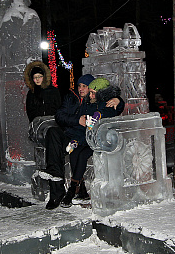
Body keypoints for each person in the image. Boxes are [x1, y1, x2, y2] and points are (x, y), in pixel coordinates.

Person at [43, 74, 124, 210]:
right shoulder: (72, 97)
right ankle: (55, 181)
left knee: (77, 153)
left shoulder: (96, 101)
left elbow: (111, 108)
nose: (81, 89)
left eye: (84, 86)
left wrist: (118, 100)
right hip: (72, 133)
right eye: (79, 86)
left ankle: (75, 189)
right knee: (52, 133)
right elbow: (59, 115)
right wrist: (77, 120)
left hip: (88, 138)